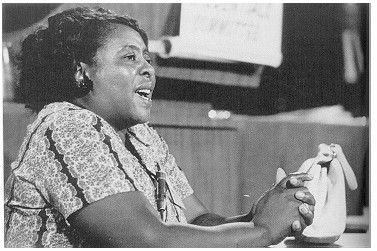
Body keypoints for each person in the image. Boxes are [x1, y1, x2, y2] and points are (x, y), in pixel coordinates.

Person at [4, 6, 315, 247]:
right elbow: (146, 241)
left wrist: (256, 214)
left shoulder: (141, 136)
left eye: (148, 59)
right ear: (79, 73)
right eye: (129, 57)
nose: (148, 70)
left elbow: (197, 222)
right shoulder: (66, 124)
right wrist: (260, 232)